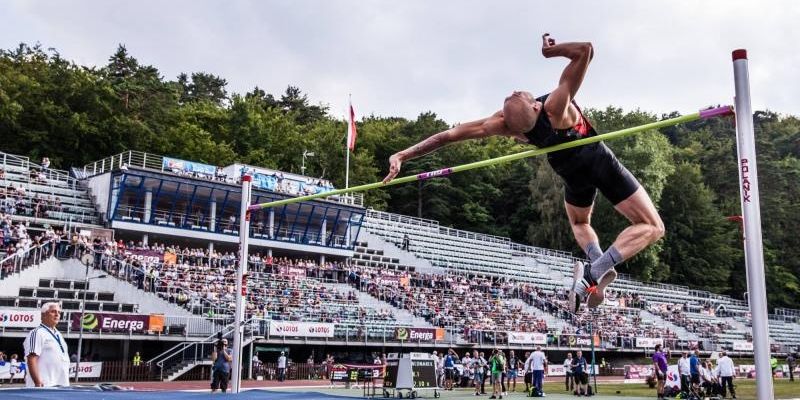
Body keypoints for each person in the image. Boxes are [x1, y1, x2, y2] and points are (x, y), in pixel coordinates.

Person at [382, 33, 663, 314]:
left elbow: (448, 136)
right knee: (652, 226)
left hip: (567, 169)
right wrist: (550, 52)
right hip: (596, 159)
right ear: (536, 105)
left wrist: (403, 155)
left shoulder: (504, 126)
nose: (516, 91)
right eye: (517, 95)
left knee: (579, 223)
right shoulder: (554, 106)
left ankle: (595, 262)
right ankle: (595, 270)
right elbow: (585, 51)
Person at [23, 302, 70, 387]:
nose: (57, 314)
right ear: (43, 315)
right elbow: (32, 358)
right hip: (44, 385)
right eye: (53, 311)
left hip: (61, 385)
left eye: (59, 312)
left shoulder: (58, 334)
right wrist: (37, 382)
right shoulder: (37, 332)